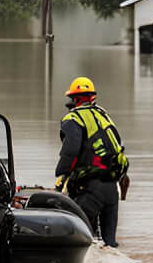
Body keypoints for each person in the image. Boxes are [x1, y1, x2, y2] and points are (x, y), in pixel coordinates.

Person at [55, 76, 129, 249]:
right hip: (112, 190)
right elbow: (119, 146)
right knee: (109, 245)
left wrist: (61, 176)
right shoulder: (104, 116)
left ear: (74, 99)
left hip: (89, 190)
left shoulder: (73, 119)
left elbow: (71, 151)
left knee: (82, 241)